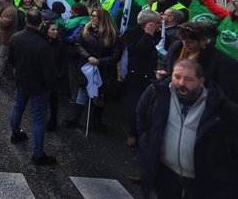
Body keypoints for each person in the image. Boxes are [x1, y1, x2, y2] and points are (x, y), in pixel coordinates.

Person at [137, 59, 238, 199]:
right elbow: (142, 115)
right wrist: (146, 144)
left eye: (188, 79)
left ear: (201, 81)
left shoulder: (220, 107)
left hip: (200, 181)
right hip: (165, 173)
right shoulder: (159, 93)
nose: (181, 83)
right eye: (177, 77)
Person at [7, 10, 59, 165]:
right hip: (39, 86)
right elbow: (49, 71)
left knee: (18, 107)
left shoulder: (16, 37)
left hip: (22, 80)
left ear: (26, 20)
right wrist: (52, 86)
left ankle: (15, 133)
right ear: (41, 21)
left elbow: (12, 59)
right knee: (38, 119)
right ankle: (38, 153)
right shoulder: (42, 44)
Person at [65, 8, 123, 131]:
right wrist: (88, 57)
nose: (91, 18)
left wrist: (99, 61)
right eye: (91, 16)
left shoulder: (113, 35)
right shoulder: (86, 30)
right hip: (86, 68)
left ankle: (96, 121)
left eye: (94, 16)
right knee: (82, 92)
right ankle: (75, 118)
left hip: (103, 71)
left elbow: (116, 55)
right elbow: (78, 44)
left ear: (102, 19)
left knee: (99, 96)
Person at [157, 21, 238, 103]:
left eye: (190, 42)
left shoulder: (221, 61)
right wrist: (162, 71)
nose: (185, 45)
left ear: (203, 40)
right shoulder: (177, 46)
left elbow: (225, 92)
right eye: (183, 40)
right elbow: (164, 63)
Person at [121, 9, 161, 148]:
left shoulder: (159, 34)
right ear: (149, 24)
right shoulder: (132, 34)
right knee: (134, 106)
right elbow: (137, 52)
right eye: (157, 23)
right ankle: (132, 133)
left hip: (152, 75)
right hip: (136, 76)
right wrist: (148, 35)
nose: (160, 25)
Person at [41, 20, 65, 132]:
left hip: (54, 78)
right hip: (41, 77)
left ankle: (53, 120)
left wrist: (59, 74)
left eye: (56, 29)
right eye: (53, 29)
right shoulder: (40, 42)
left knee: (53, 100)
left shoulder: (59, 44)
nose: (56, 32)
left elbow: (62, 61)